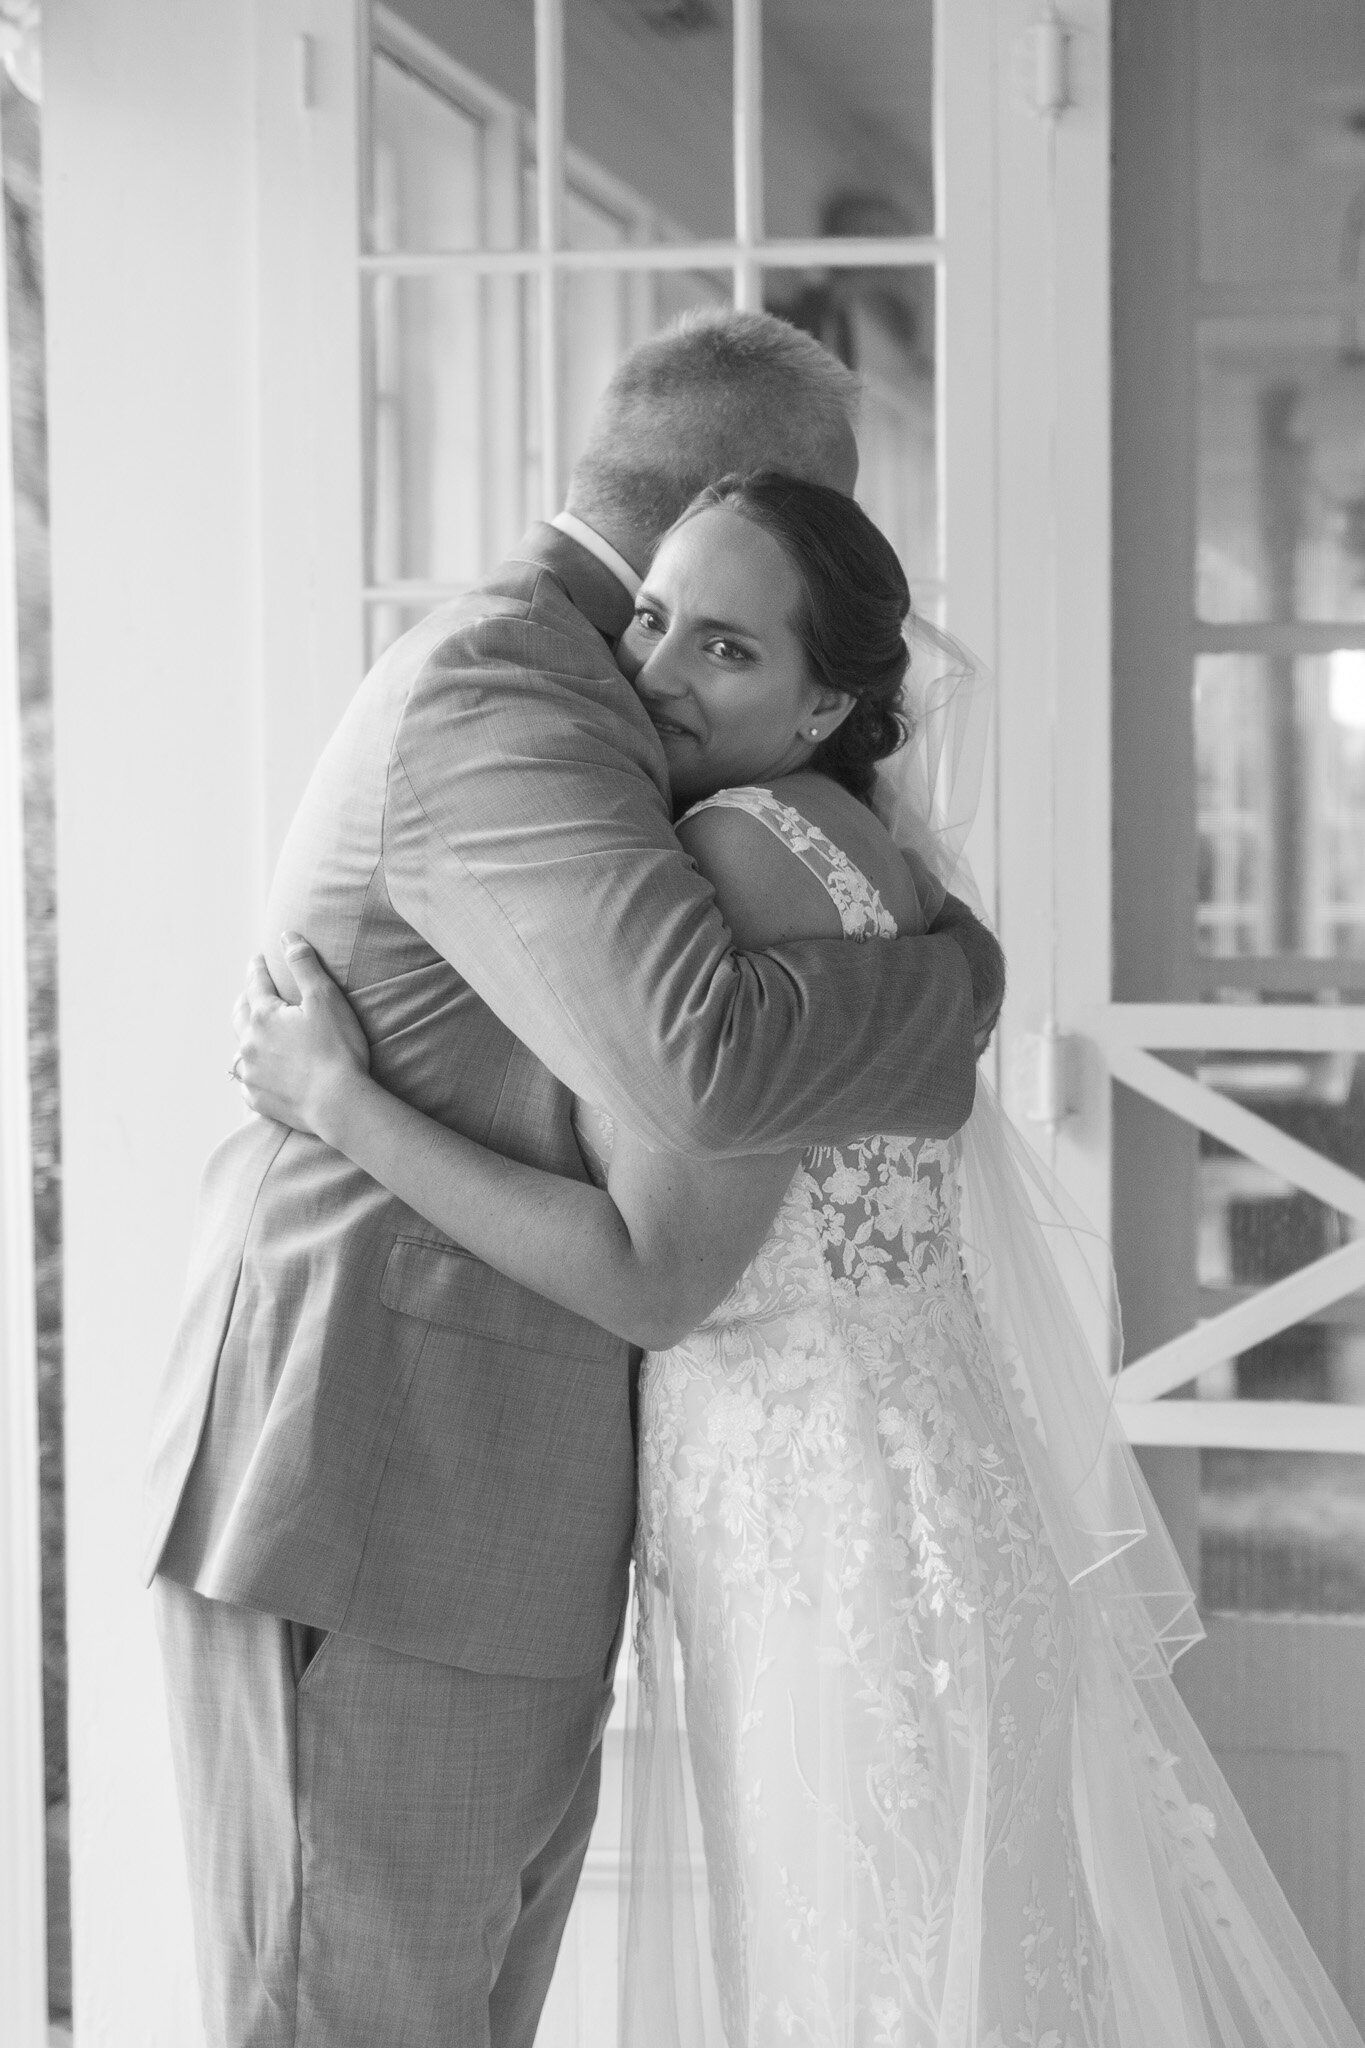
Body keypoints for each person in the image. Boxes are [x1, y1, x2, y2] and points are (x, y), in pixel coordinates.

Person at [234, 474, 1364, 2048]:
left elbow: (650, 1277)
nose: (657, 673)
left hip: (829, 1534)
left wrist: (339, 1102)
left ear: (827, 696)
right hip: (903, 1497)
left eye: (725, 650)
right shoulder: (860, 849)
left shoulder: (734, 854)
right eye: (650, 618)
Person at [144, 313, 1005, 2048]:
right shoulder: (503, 688)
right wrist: (961, 1000)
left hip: (490, 1496)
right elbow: (705, 1056)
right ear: (720, 510)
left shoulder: (638, 713)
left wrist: (964, 988)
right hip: (377, 1480)